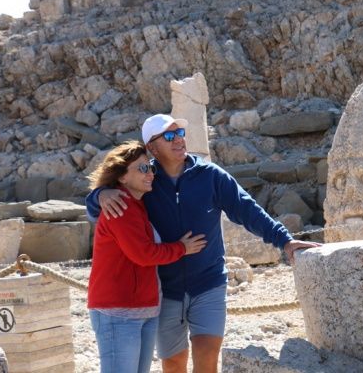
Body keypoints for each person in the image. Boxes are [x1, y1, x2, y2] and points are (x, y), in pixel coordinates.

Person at [86, 114, 320, 373]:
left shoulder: (211, 176)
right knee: (174, 364)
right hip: (166, 291)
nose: (178, 140)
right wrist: (100, 194)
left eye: (180, 134)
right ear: (152, 147)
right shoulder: (146, 181)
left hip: (208, 284)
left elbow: (247, 210)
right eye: (169, 136)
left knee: (207, 358)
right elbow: (107, 207)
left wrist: (284, 241)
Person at [87, 140, 207, 373]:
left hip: (144, 310)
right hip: (117, 312)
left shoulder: (138, 202)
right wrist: (182, 248)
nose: (150, 173)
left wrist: (99, 193)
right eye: (142, 168)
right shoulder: (120, 205)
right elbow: (143, 254)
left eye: (150, 167)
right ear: (122, 177)